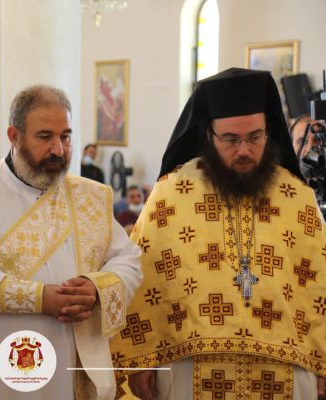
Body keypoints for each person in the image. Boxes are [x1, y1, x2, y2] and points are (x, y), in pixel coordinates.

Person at [110, 68, 326, 399]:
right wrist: (140, 361)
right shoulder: (172, 192)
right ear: (208, 134)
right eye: (231, 139)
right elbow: (145, 276)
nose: (244, 150)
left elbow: (319, 283)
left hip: (286, 366)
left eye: (255, 137)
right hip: (189, 364)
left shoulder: (296, 196)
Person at [0, 84, 142, 399]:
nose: (59, 149)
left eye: (66, 137)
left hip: (69, 364)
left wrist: (96, 288)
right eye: (45, 137)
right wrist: (41, 298)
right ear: (14, 136)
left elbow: (128, 261)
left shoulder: (89, 197)